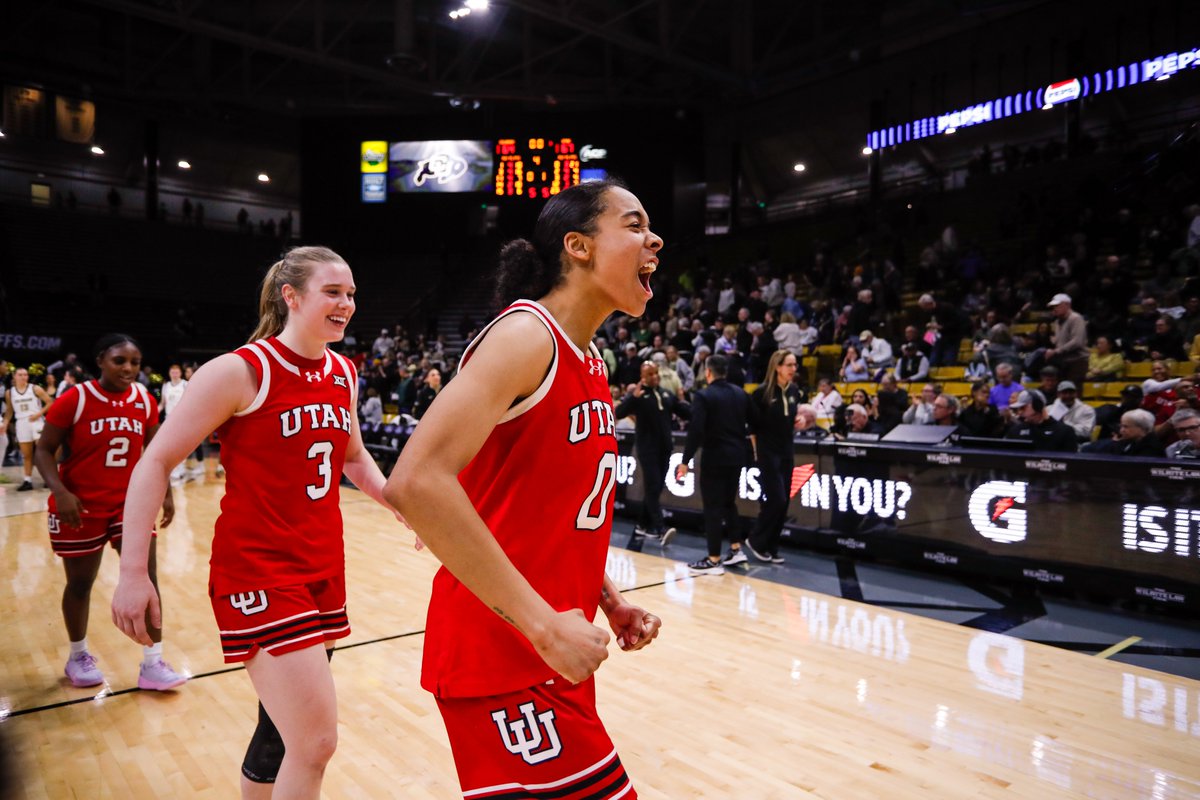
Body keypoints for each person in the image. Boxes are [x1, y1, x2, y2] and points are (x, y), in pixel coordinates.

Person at [384, 181, 662, 800]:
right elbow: (416, 481)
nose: (655, 240)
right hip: (503, 656)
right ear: (579, 246)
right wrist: (542, 627)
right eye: (635, 224)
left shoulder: (588, 359)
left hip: (551, 648)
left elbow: (554, 512)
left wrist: (609, 601)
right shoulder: (525, 336)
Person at [112, 246, 400, 797]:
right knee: (315, 743)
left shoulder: (343, 371)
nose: (347, 305)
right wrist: (132, 572)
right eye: (333, 293)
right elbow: (155, 460)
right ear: (291, 297)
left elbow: (355, 459)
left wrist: (401, 506)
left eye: (352, 294)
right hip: (260, 573)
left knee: (279, 734)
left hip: (322, 569)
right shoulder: (241, 371)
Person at [33, 334, 185, 691]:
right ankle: (77, 655)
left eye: (134, 362)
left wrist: (165, 493)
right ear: (100, 360)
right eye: (119, 361)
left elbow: (156, 453)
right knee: (81, 584)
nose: (128, 368)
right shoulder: (75, 399)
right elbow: (43, 449)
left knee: (146, 577)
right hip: (80, 506)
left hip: (129, 505)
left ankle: (152, 662)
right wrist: (60, 491)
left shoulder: (145, 400)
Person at [677, 353, 757, 575]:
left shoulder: (704, 396)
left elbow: (696, 430)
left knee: (712, 507)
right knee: (729, 503)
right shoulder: (741, 394)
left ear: (708, 372)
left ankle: (713, 560)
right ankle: (735, 548)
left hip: (715, 457)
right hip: (737, 457)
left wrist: (685, 461)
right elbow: (754, 423)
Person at [615, 361, 689, 542]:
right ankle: (660, 528)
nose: (655, 377)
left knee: (655, 489)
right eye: (650, 374)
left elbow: (685, 411)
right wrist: (633, 397)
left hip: (665, 448)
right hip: (647, 449)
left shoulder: (665, 394)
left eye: (656, 373)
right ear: (643, 376)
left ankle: (642, 525)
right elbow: (619, 412)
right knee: (653, 486)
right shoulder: (638, 396)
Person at [744, 350, 803, 564]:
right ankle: (756, 539)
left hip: (787, 451)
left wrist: (800, 422)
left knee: (784, 501)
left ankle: (771, 545)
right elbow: (752, 426)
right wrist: (757, 452)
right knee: (776, 499)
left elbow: (790, 418)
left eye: (795, 365)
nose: (793, 369)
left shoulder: (795, 391)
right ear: (777, 367)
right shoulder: (762, 393)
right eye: (789, 365)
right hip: (768, 452)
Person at [3, 366, 52, 490]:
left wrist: (39, 414)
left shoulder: (35, 388)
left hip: (37, 423)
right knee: (27, 455)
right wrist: (5, 423)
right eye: (20, 375)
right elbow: (9, 411)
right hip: (21, 423)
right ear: (14, 376)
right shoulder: (10, 392)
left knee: (42, 453)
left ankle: (49, 479)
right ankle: (27, 481)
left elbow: (50, 402)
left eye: (25, 375)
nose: (23, 377)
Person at [1005, 390, 1077, 452]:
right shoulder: (1015, 431)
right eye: (1018, 409)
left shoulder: (1064, 432)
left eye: (1023, 408)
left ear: (1037, 405)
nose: (1020, 412)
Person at [159, 364, 193, 484]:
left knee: (181, 446)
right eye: (172, 372)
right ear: (169, 373)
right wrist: (152, 413)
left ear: (180, 373)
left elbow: (191, 403)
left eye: (176, 372)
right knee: (169, 446)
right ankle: (173, 470)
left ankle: (181, 469)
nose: (174, 374)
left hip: (182, 420)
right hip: (168, 419)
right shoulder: (166, 386)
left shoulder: (185, 384)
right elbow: (162, 404)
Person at [1045, 293, 1089, 385]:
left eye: (1057, 306)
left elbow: (1077, 342)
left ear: (1067, 305)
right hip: (1063, 361)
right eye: (1053, 307)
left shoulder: (1075, 318)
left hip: (1077, 361)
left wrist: (1057, 351)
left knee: (1073, 390)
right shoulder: (1057, 321)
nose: (1055, 309)